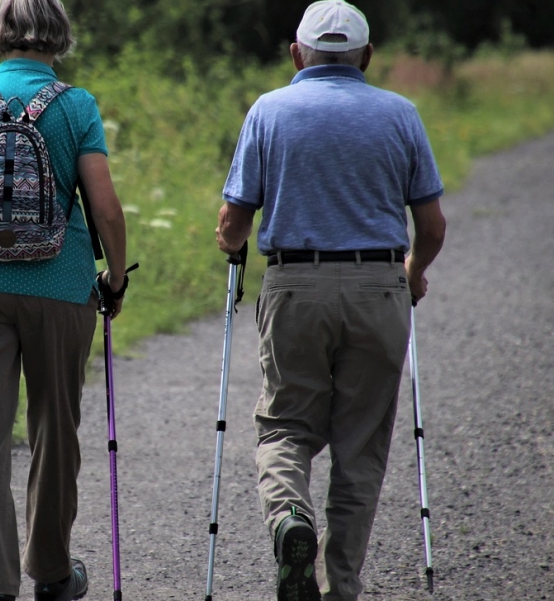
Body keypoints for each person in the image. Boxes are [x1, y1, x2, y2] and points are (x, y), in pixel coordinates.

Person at [215, 2, 447, 600]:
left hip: (296, 286)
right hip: (378, 287)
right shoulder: (401, 114)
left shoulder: (269, 110)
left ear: (298, 54)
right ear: (367, 57)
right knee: (360, 446)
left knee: (285, 426)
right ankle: (339, 584)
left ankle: (291, 517)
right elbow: (432, 223)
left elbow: (235, 219)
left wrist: (230, 242)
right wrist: (413, 272)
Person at [0, 1, 128, 599]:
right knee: (54, 430)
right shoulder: (77, 105)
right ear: (58, 38)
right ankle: (54, 575)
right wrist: (113, 279)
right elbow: (106, 210)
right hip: (61, 289)